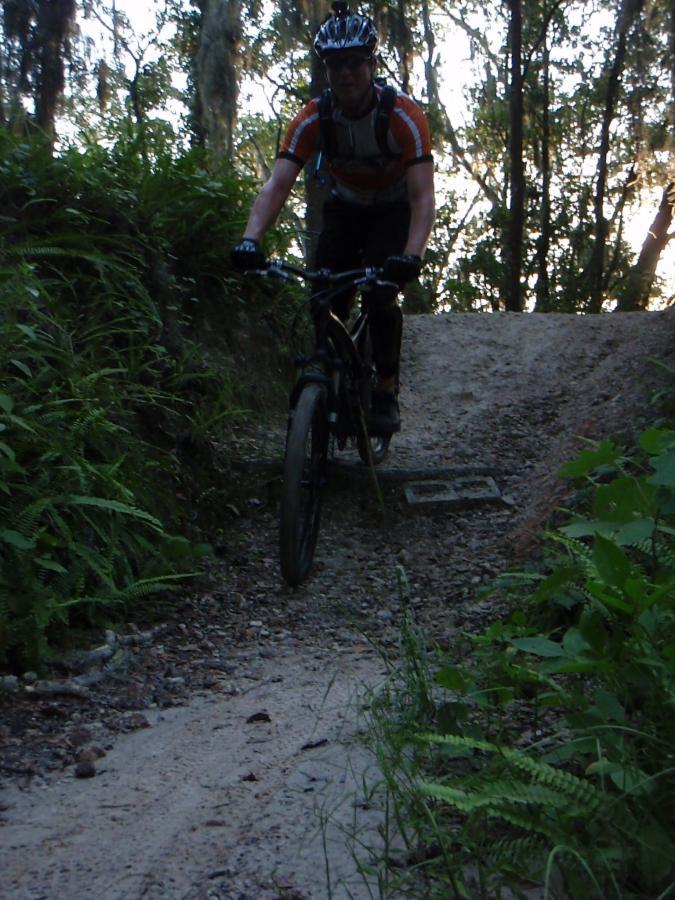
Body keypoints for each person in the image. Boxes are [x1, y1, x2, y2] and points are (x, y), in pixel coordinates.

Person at [231, 1, 435, 433]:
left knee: (380, 296)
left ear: (371, 65)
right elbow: (278, 184)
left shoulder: (404, 117)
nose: (346, 73)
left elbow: (422, 196)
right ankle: (327, 386)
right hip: (346, 209)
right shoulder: (313, 118)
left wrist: (411, 255)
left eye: (355, 63)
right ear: (326, 69)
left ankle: (384, 387)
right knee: (324, 295)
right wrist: (251, 239)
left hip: (393, 211)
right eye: (336, 64)